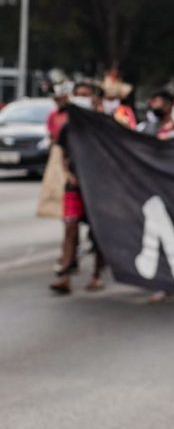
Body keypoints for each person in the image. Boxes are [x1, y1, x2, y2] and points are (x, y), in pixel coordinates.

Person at [49, 82, 107, 295]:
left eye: (86, 95)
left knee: (99, 231)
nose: (81, 98)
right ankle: (64, 274)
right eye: (78, 95)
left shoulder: (104, 125)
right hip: (74, 186)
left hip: (100, 188)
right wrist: (71, 175)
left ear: (95, 99)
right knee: (70, 226)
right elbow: (63, 155)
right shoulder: (69, 127)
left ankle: (97, 274)